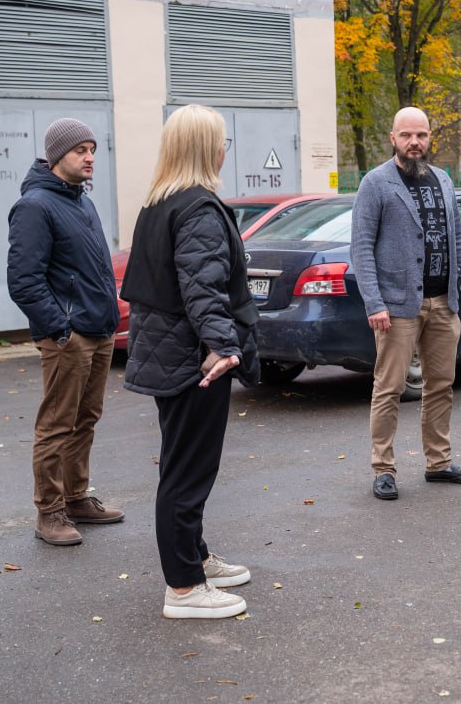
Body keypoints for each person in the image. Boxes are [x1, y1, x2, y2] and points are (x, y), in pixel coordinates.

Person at [120, 104, 261, 620]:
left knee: (182, 464)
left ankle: (196, 557)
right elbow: (202, 289)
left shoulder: (159, 202)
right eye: (222, 140)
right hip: (193, 360)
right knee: (187, 472)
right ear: (208, 148)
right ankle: (182, 587)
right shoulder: (198, 207)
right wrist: (223, 347)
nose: (226, 150)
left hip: (170, 354)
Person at [350, 106, 461, 501]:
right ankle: (383, 469)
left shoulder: (442, 180)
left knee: (441, 385)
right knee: (389, 387)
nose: (414, 143)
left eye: (421, 135)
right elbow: (360, 248)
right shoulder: (375, 183)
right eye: (406, 135)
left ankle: (438, 463)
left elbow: (457, 239)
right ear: (393, 138)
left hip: (443, 302)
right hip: (396, 308)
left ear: (429, 138)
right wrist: (374, 303)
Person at [7, 118, 124, 547]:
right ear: (58, 156)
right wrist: (61, 329)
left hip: (99, 328)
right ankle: (49, 511)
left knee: (85, 419)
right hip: (68, 337)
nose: (90, 157)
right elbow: (24, 280)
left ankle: (76, 498)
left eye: (93, 149)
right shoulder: (35, 206)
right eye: (81, 150)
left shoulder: (81, 201)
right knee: (57, 424)